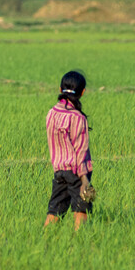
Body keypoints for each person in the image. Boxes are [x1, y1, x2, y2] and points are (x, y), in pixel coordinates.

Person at [44, 71, 94, 230]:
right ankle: (80, 242)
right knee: (81, 209)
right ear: (83, 92)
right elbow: (81, 151)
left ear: (60, 89)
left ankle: (45, 240)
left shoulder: (51, 113)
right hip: (75, 172)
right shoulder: (78, 117)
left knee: (55, 210)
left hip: (59, 170)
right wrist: (84, 180)